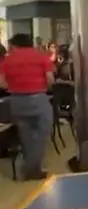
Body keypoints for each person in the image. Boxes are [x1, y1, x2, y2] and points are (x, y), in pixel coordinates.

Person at [0, 34, 54, 180]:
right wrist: (41, 86)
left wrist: (15, 86)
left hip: (17, 101)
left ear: (16, 45)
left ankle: (30, 168)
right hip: (38, 99)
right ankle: (31, 169)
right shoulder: (41, 57)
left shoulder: (8, 60)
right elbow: (50, 79)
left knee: (26, 137)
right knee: (41, 135)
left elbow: (2, 83)